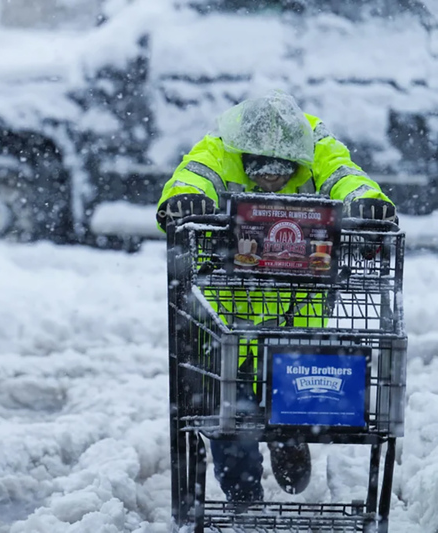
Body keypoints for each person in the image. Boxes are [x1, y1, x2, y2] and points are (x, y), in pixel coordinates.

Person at [156, 90, 397, 503]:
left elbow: (346, 176)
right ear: (242, 152)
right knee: (229, 420)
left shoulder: (318, 144)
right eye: (259, 168)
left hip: (298, 321)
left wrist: (369, 203)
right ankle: (243, 498)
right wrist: (183, 201)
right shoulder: (219, 146)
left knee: (294, 403)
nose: (271, 178)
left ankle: (291, 440)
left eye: (282, 169)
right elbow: (193, 176)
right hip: (229, 322)